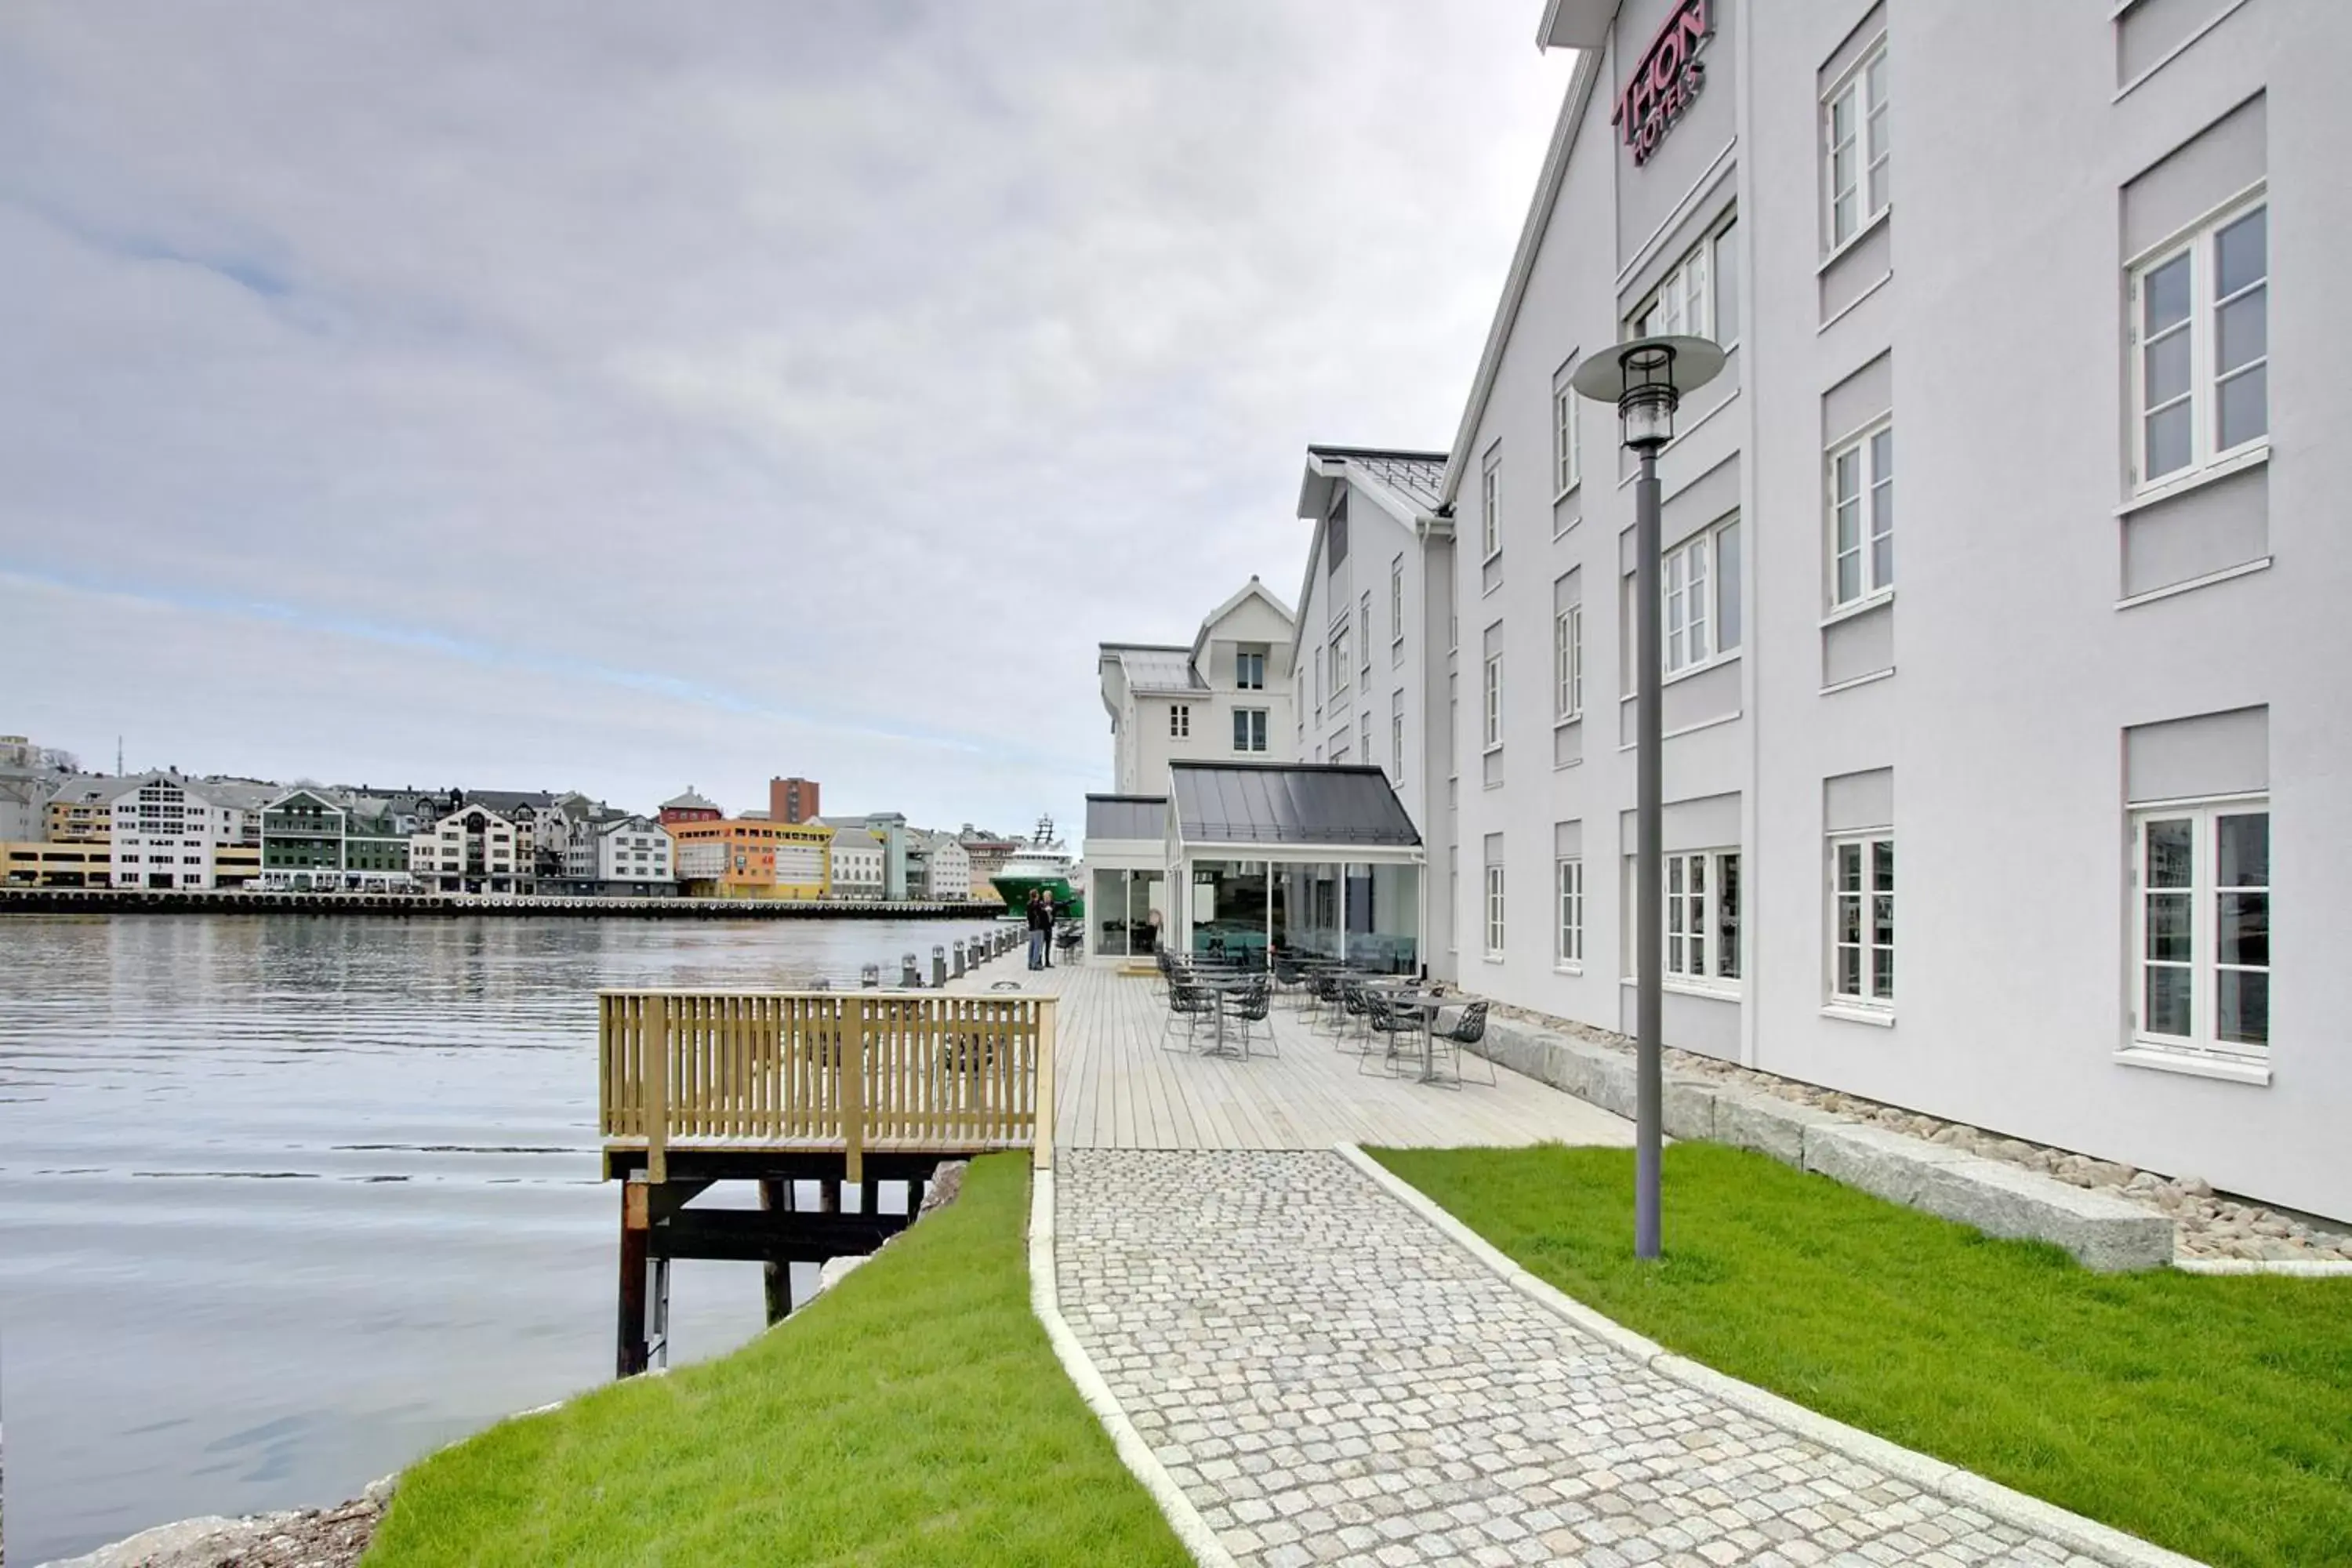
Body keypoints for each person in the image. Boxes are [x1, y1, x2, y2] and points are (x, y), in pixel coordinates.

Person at [1025, 889, 1048, 970]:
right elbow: (1041, 914)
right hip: (1038, 928)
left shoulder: (1028, 904)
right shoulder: (1038, 904)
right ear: (1037, 895)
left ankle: (1030, 963)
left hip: (1031, 928)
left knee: (1031, 946)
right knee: (1037, 946)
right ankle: (1035, 964)